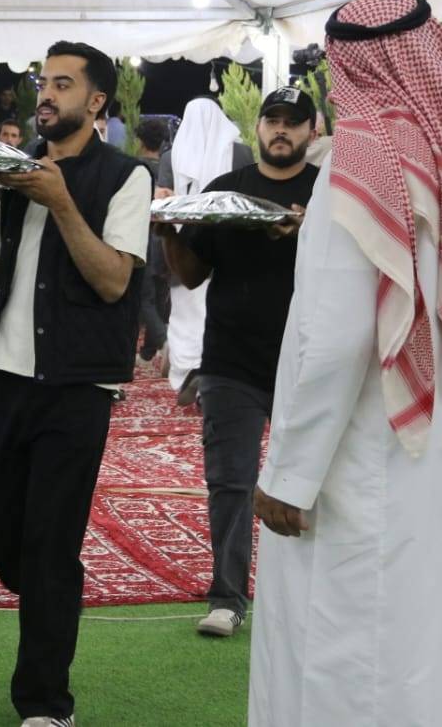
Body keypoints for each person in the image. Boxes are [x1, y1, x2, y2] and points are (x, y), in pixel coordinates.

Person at [249, 0, 442, 726]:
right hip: (435, 451)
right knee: (423, 644)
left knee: (345, 654)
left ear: (352, 65)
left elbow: (336, 338)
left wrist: (290, 474)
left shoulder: (361, 167)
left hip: (361, 455)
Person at [0, 41, 151, 726]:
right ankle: (53, 592)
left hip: (76, 385)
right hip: (3, 378)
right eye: (42, 83)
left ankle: (45, 702)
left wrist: (61, 202)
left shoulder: (125, 177)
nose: (46, 95)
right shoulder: (13, 172)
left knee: (51, 546)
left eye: (62, 84)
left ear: (96, 101)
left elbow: (114, 281)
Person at [155, 87, 318, 637]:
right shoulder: (225, 192)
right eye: (273, 119)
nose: (281, 129)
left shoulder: (328, 194)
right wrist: (167, 233)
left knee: (313, 480)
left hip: (308, 363)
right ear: (259, 128)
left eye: (292, 121)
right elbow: (191, 274)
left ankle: (310, 597)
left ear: (312, 131)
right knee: (230, 481)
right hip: (230, 362)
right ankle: (227, 596)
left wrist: (308, 231)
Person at [157, 97, 253, 404]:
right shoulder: (241, 152)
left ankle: (187, 371)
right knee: (219, 311)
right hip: (228, 243)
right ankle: (211, 376)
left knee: (185, 314)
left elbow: (163, 198)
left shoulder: (172, 155)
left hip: (184, 246)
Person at [134, 118, 172, 363]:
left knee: (142, 298)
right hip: (164, 239)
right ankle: (149, 351)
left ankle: (165, 340)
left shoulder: (136, 168)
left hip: (143, 239)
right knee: (159, 297)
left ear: (140, 141)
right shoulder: (169, 168)